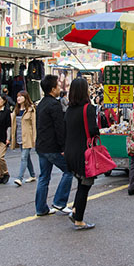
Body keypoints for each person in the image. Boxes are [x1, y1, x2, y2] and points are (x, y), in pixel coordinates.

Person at [35, 75, 73, 216]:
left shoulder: (41, 103)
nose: (59, 88)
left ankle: (41, 208)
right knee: (69, 170)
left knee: (44, 177)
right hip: (52, 147)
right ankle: (59, 201)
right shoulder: (54, 105)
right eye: (57, 86)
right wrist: (63, 148)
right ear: (52, 89)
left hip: (41, 146)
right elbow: (59, 128)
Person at [64, 78, 99, 230]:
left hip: (70, 152)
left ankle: (75, 210)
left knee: (80, 182)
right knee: (85, 184)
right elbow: (93, 130)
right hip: (84, 153)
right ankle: (78, 219)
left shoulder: (68, 110)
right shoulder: (88, 108)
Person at [11, 91, 37, 186]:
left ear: (25, 98)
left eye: (21, 96)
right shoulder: (16, 110)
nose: (19, 98)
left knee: (23, 157)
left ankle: (19, 178)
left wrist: (35, 138)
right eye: (18, 96)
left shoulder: (31, 109)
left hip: (28, 137)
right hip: (19, 136)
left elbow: (34, 124)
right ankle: (33, 175)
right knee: (27, 157)